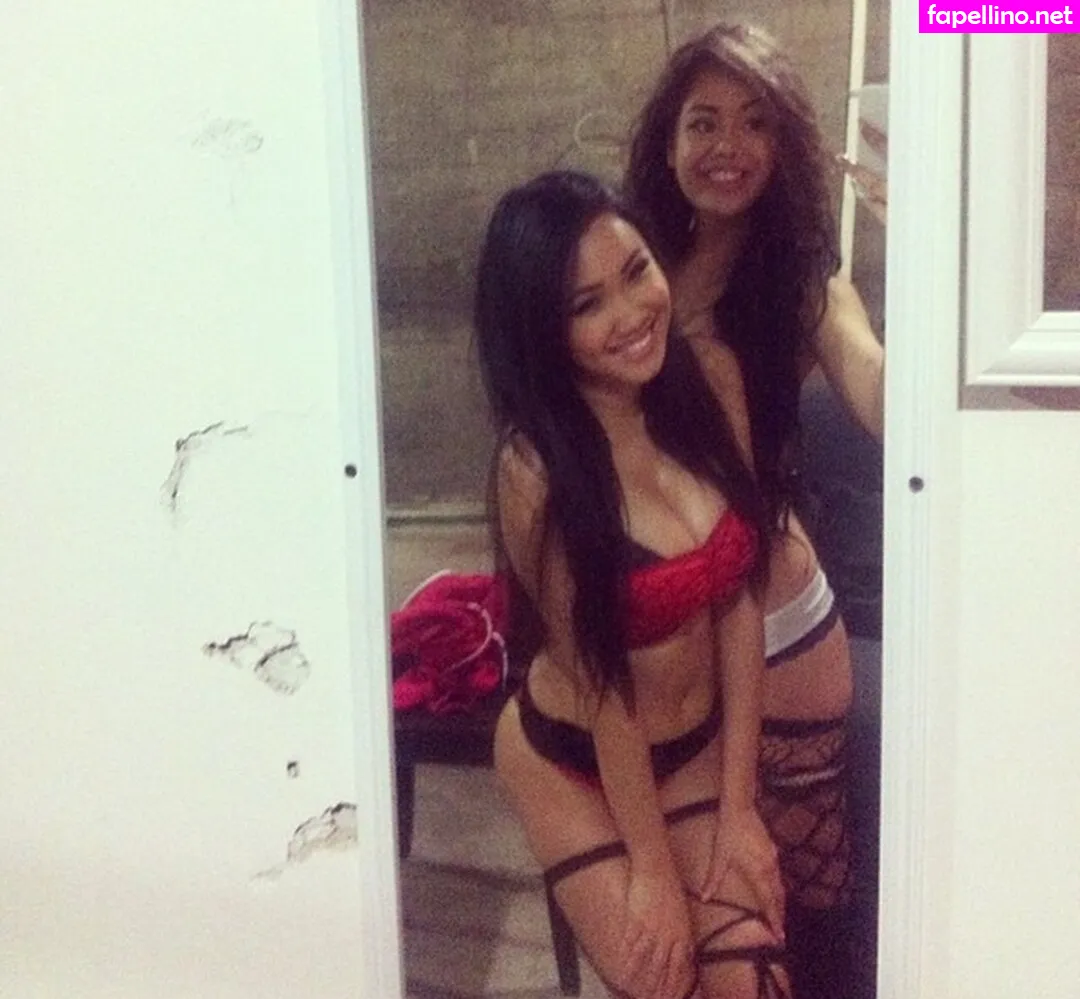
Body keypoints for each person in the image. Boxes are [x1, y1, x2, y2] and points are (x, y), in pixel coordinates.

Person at [477, 170, 790, 999]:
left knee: (755, 971)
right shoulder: (534, 470)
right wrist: (652, 870)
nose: (631, 313)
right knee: (666, 979)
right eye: (587, 305)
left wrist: (739, 805)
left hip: (694, 747)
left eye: (636, 271)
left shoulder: (712, 377)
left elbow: (741, 599)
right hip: (572, 753)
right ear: (542, 330)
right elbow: (603, 681)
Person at [625, 22, 885, 999]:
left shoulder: (806, 283)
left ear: (784, 147)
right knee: (697, 899)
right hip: (659, 624)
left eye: (754, 122)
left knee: (810, 893)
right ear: (667, 140)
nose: (727, 146)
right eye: (703, 122)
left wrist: (937, 256)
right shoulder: (626, 269)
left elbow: (877, 393)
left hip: (775, 623)